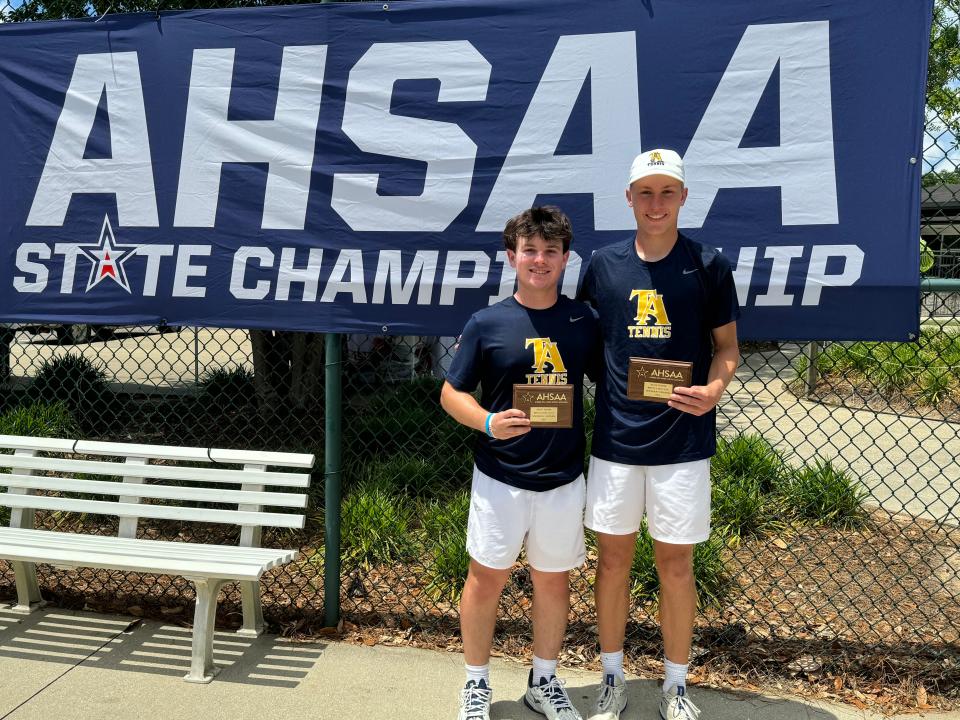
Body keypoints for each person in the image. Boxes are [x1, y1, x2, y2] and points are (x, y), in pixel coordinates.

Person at [578, 149, 740, 720]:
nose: (655, 203)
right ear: (628, 198)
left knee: (676, 565)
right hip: (618, 441)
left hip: (683, 443)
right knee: (613, 561)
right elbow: (585, 346)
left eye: (666, 192)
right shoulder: (602, 265)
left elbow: (727, 351)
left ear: (684, 198)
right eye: (644, 192)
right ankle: (612, 677)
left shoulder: (710, 265)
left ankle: (675, 685)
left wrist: (713, 392)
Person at [441, 206, 601, 720]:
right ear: (512, 257)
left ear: (565, 258)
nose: (539, 260)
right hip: (500, 477)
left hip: (561, 479)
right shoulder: (487, 321)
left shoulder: (583, 320)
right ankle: (476, 685)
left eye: (550, 251)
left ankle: (545, 680)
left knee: (553, 580)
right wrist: (488, 422)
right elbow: (451, 393)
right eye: (529, 250)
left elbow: (617, 377)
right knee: (485, 578)